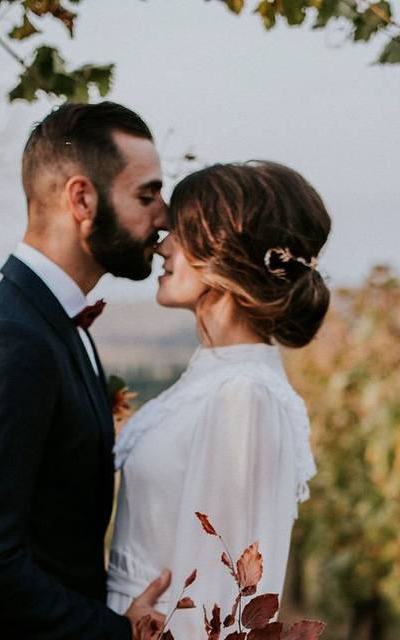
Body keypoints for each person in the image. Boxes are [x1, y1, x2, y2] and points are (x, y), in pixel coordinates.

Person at [0, 102, 171, 639]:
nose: (165, 216)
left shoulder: (58, 325)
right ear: (82, 198)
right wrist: (116, 635)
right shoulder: (8, 342)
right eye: (146, 195)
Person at [106, 161, 331, 638]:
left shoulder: (243, 396)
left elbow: (224, 596)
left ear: (224, 253)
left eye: (181, 234)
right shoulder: (214, 379)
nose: (163, 246)